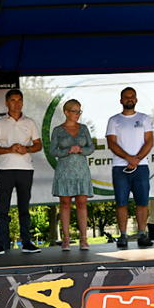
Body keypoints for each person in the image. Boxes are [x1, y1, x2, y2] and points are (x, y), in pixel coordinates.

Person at [0, 89, 43, 255]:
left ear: (22, 102)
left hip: (25, 169)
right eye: (13, 100)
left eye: (19, 100)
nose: (17, 103)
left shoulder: (30, 122)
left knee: (24, 207)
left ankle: (26, 242)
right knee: (2, 208)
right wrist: (9, 150)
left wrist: (27, 149)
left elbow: (38, 145)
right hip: (5, 170)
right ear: (7, 103)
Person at [106, 87, 154, 248]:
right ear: (121, 100)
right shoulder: (114, 120)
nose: (129, 99)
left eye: (132, 96)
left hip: (141, 167)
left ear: (136, 99)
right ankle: (123, 235)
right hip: (120, 167)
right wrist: (128, 158)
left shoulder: (144, 118)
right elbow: (112, 143)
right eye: (126, 97)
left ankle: (142, 234)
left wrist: (137, 159)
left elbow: (149, 141)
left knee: (142, 202)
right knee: (121, 203)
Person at [49, 99, 95, 251]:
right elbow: (53, 151)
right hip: (64, 171)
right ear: (66, 112)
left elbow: (91, 147)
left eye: (79, 111)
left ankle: (84, 239)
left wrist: (81, 150)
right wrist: (67, 151)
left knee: (82, 203)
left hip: (81, 171)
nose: (78, 114)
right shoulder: (58, 130)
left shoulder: (84, 128)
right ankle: (66, 240)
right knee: (65, 204)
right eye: (75, 111)